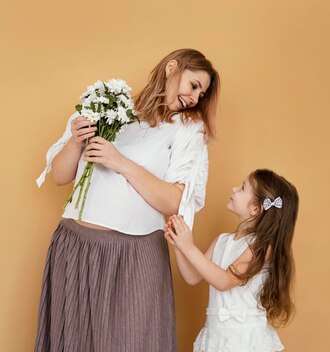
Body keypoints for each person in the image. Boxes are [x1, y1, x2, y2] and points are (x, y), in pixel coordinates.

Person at [34, 48, 220, 352]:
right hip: (74, 245)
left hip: (134, 254)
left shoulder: (188, 130)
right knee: (73, 341)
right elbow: (60, 176)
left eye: (202, 93)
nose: (195, 98)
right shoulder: (109, 106)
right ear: (172, 68)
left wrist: (120, 162)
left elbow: (174, 201)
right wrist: (75, 139)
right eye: (194, 85)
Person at [164, 169, 298, 352]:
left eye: (242, 188)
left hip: (245, 339)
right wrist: (179, 245)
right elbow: (192, 276)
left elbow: (225, 281)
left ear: (256, 208)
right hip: (217, 336)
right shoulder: (222, 241)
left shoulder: (262, 247)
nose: (234, 189)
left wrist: (189, 247)